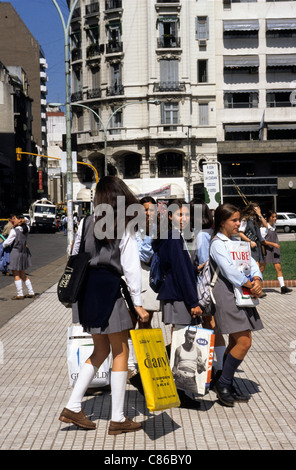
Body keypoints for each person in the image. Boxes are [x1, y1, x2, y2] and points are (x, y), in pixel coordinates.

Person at [59, 176, 150, 433]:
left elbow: (74, 255)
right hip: (109, 290)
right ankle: (118, 418)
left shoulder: (86, 222)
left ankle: (74, 406)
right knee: (121, 352)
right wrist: (139, 304)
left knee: (100, 351)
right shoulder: (124, 226)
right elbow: (131, 270)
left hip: (87, 290)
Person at [209, 203, 264, 407]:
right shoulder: (218, 243)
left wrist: (257, 279)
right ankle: (223, 383)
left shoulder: (236, 242)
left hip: (242, 293)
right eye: (234, 220)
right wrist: (251, 284)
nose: (238, 223)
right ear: (222, 222)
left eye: (238, 219)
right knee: (244, 341)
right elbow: (229, 270)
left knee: (235, 341)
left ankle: (225, 382)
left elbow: (252, 262)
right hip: (227, 295)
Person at [152, 199, 203, 408]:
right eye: (180, 215)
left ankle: (157, 375)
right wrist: (193, 301)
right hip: (179, 295)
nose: (185, 218)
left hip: (175, 293)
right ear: (170, 216)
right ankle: (179, 393)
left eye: (187, 214)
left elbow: (181, 268)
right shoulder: (173, 236)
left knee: (178, 340)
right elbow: (181, 271)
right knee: (181, 341)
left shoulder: (172, 235)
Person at [190, 198, 226, 383]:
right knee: (212, 326)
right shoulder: (207, 232)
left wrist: (192, 268)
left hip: (205, 289)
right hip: (211, 287)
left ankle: (216, 370)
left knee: (210, 326)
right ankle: (217, 368)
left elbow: (205, 266)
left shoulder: (202, 235)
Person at [127, 196, 159, 379]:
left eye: (150, 209)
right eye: (144, 209)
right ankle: (131, 364)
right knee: (130, 322)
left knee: (146, 321)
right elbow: (139, 253)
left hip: (149, 278)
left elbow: (146, 254)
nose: (148, 213)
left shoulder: (158, 230)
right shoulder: (131, 228)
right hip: (132, 279)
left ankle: (145, 362)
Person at [2, 214, 35, 300]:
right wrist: (23, 220)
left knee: (16, 273)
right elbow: (27, 221)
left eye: (14, 219)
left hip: (15, 252)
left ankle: (20, 294)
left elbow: (6, 243)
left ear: (19, 220)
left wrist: (4, 244)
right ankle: (31, 292)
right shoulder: (26, 229)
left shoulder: (14, 231)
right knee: (23, 274)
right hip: (24, 252)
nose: (12, 220)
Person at [260, 210, 292, 294]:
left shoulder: (274, 226)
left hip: (275, 250)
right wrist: (273, 244)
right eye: (273, 217)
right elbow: (262, 241)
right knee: (261, 268)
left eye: (275, 217)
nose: (275, 218)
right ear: (268, 218)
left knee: (278, 267)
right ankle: (258, 287)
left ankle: (283, 287)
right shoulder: (264, 228)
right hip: (266, 250)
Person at [172, 328, 206, 393]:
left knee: (194, 400)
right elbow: (175, 366)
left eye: (193, 339)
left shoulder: (198, 351)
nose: (191, 341)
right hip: (179, 379)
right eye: (189, 338)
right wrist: (174, 374)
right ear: (185, 336)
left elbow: (199, 371)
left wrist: (201, 367)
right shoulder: (179, 349)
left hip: (191, 380)